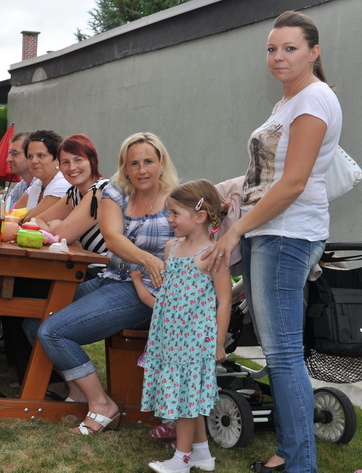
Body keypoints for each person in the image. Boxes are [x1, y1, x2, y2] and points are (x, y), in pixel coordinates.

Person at [203, 11, 341, 473]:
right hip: (273, 231)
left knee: (282, 355)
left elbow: (293, 182)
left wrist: (236, 230)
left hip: (286, 235)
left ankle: (298, 463)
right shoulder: (290, 101)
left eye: (290, 48)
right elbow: (268, 176)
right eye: (271, 49)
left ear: (313, 52)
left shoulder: (313, 99)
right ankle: (290, 455)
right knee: (280, 354)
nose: (278, 57)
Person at [26, 132, 179, 434]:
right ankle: (79, 389)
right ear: (124, 167)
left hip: (148, 293)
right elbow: (112, 238)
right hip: (112, 278)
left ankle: (102, 404)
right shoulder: (116, 193)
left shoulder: (176, 199)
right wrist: (147, 259)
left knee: (52, 331)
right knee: (33, 323)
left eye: (148, 162)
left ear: (162, 163)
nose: (141, 170)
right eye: (133, 163)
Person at [141, 180, 231, 473]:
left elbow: (225, 300)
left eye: (175, 213)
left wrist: (218, 343)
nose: (169, 219)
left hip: (194, 339)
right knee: (188, 396)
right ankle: (202, 454)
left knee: (185, 399)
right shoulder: (171, 248)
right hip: (170, 336)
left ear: (200, 216)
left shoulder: (212, 255)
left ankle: (182, 460)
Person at [34, 134, 110, 276]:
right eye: (65, 162)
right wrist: (59, 235)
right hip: (81, 267)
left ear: (92, 160)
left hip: (106, 274)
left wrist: (56, 227)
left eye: (78, 160)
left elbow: (62, 235)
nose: (72, 167)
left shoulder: (101, 191)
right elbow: (35, 221)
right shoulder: (75, 193)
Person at [21, 130, 71, 221]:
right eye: (30, 156)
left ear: (57, 158)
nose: (34, 161)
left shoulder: (62, 184)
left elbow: (30, 222)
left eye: (41, 155)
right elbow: (12, 214)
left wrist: (25, 216)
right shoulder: (38, 184)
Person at [6, 132, 36, 207]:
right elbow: (4, 209)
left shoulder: (42, 183)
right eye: (9, 154)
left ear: (30, 155)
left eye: (14, 153)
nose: (8, 159)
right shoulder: (21, 186)